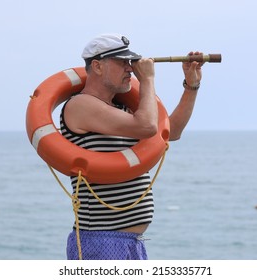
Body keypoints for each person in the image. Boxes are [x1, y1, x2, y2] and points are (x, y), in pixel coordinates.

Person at [60, 33, 204, 260]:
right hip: (100, 240)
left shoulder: (121, 110)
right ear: (97, 66)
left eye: (131, 62)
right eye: (122, 62)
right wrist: (147, 80)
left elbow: (171, 132)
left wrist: (191, 85)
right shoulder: (80, 105)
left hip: (129, 242)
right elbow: (147, 126)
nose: (130, 68)